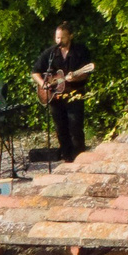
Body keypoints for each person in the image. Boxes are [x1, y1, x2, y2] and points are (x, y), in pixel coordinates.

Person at [32, 23, 93, 163]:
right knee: (60, 128)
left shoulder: (80, 51)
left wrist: (75, 77)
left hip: (74, 94)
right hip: (55, 97)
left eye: (62, 38)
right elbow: (35, 72)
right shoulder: (51, 53)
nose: (59, 41)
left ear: (71, 36)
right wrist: (43, 84)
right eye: (57, 38)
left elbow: (86, 72)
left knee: (75, 126)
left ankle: (79, 158)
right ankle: (66, 157)